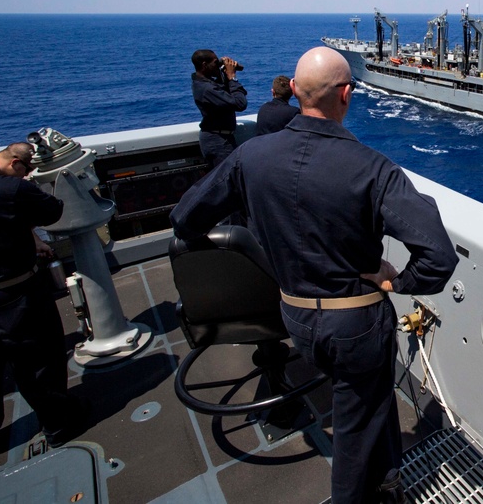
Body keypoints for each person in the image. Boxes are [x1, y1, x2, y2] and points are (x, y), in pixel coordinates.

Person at [170, 47, 459, 504]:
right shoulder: (374, 169)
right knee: (355, 429)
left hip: (296, 318)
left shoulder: (251, 157)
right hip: (356, 325)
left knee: (370, 406)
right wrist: (395, 282)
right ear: (346, 94)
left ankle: (386, 480)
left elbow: (185, 217)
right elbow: (439, 258)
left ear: (297, 94)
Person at [0, 116, 87, 470]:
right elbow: (52, 210)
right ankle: (59, 425)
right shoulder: (6, 191)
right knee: (38, 364)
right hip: (12, 294)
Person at [190, 49, 247, 168]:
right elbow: (240, 103)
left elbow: (223, 90)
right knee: (227, 179)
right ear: (205, 65)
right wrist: (232, 78)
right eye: (215, 63)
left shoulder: (204, 83)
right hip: (218, 142)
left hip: (220, 138)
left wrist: (222, 73)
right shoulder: (206, 89)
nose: (217, 65)